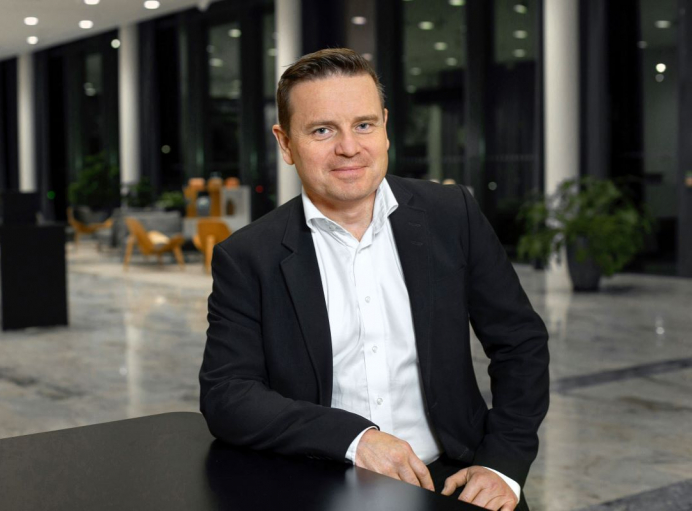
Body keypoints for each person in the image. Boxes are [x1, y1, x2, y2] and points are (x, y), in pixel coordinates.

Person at [199, 48, 549, 511]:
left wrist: (502, 465)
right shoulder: (248, 256)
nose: (349, 147)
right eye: (322, 130)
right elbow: (227, 395)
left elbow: (520, 343)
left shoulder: (452, 215)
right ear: (285, 143)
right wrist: (356, 439)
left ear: (385, 127)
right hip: (321, 482)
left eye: (363, 125)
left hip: (456, 476)